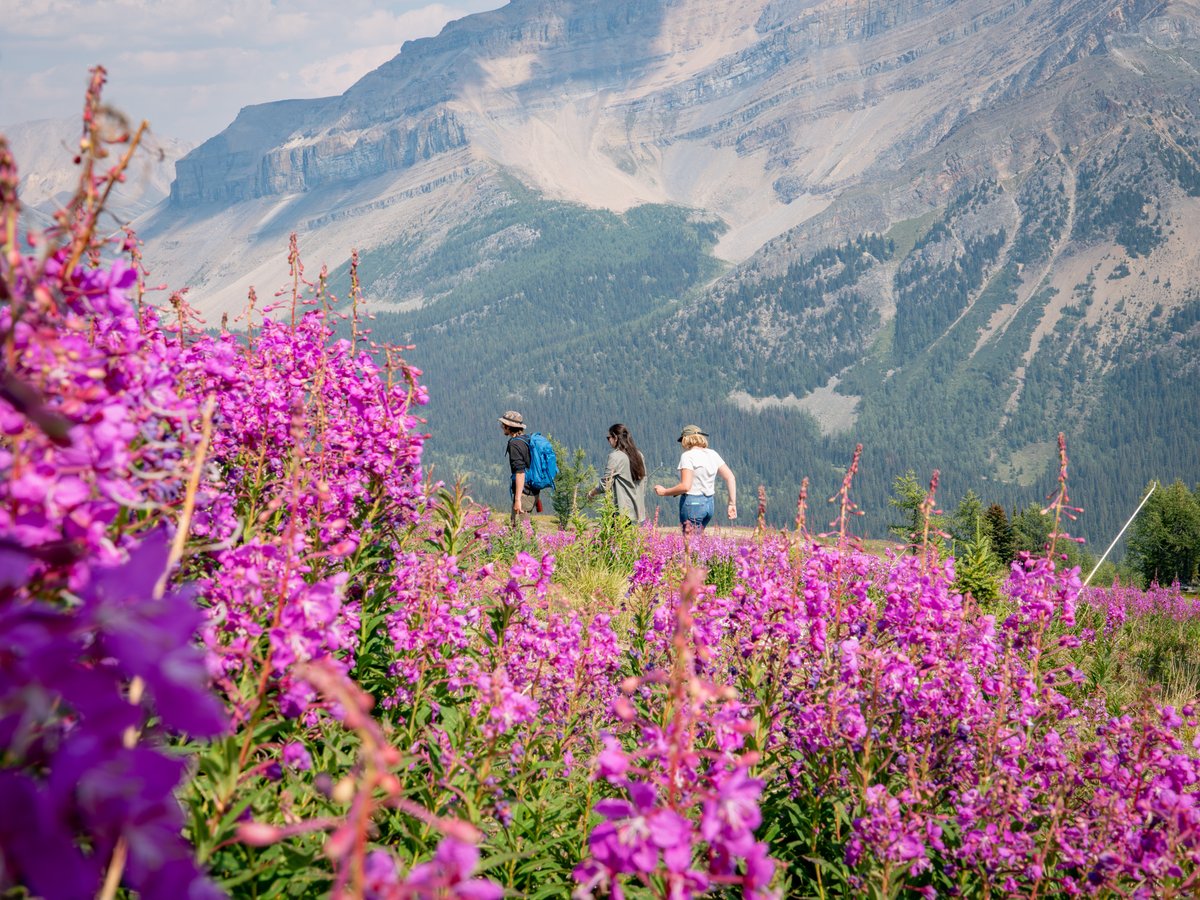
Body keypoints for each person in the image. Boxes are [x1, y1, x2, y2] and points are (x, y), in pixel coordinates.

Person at [653, 424, 736, 534]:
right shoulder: (713, 454)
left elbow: (685, 486)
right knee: (697, 541)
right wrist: (732, 504)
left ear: (686, 439)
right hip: (709, 505)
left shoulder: (687, 456)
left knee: (690, 544)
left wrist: (664, 492)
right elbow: (730, 477)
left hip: (692, 504)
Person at [587, 423, 647, 523]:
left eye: (608, 437)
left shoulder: (615, 457)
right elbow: (644, 480)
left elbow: (605, 483)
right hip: (637, 512)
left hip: (621, 512)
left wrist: (592, 493)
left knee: (614, 538)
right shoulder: (639, 455)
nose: (608, 441)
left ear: (615, 437)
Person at [499, 410, 538, 526]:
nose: (502, 427)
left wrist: (518, 500)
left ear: (509, 427)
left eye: (503, 425)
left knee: (519, 530)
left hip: (524, 493)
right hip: (532, 490)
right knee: (521, 529)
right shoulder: (527, 439)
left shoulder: (515, 444)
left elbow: (520, 472)